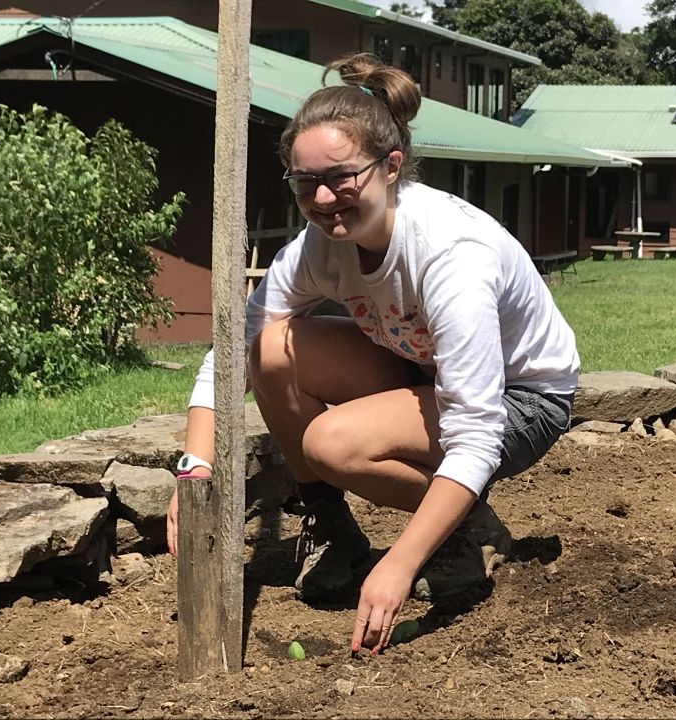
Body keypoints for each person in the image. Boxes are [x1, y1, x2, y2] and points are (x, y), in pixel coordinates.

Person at [166, 52, 579, 657]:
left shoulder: (451, 256)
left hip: (523, 399)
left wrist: (400, 565)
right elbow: (233, 352)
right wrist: (194, 468)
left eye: (342, 177)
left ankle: (460, 528)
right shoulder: (319, 247)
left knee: (333, 442)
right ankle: (329, 527)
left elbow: (477, 432)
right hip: (425, 370)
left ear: (391, 167)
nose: (326, 197)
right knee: (271, 347)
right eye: (307, 183)